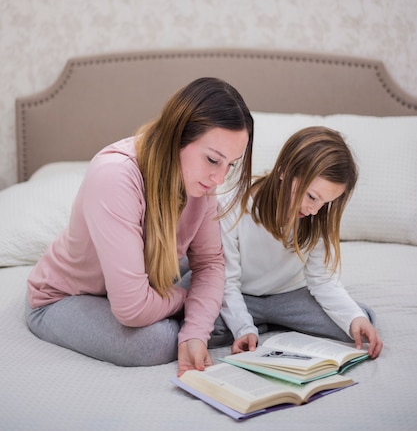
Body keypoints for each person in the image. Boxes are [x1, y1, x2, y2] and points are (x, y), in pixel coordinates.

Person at [26, 77, 253, 376]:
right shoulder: (115, 177)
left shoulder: (202, 182)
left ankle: (214, 311)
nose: (219, 179)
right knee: (153, 343)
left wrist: (195, 333)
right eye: (213, 159)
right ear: (178, 136)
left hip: (144, 284)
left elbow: (210, 263)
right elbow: (132, 309)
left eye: (231, 165)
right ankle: (225, 311)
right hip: (64, 298)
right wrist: (189, 298)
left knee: (222, 282)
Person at [209, 126, 383, 359]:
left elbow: (322, 280)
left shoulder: (316, 217)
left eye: (325, 203)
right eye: (311, 196)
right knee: (199, 325)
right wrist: (243, 328)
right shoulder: (233, 204)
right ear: (284, 171)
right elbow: (227, 282)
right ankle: (255, 324)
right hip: (239, 294)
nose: (314, 210)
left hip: (289, 297)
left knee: (360, 323)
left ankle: (266, 322)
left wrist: (355, 319)